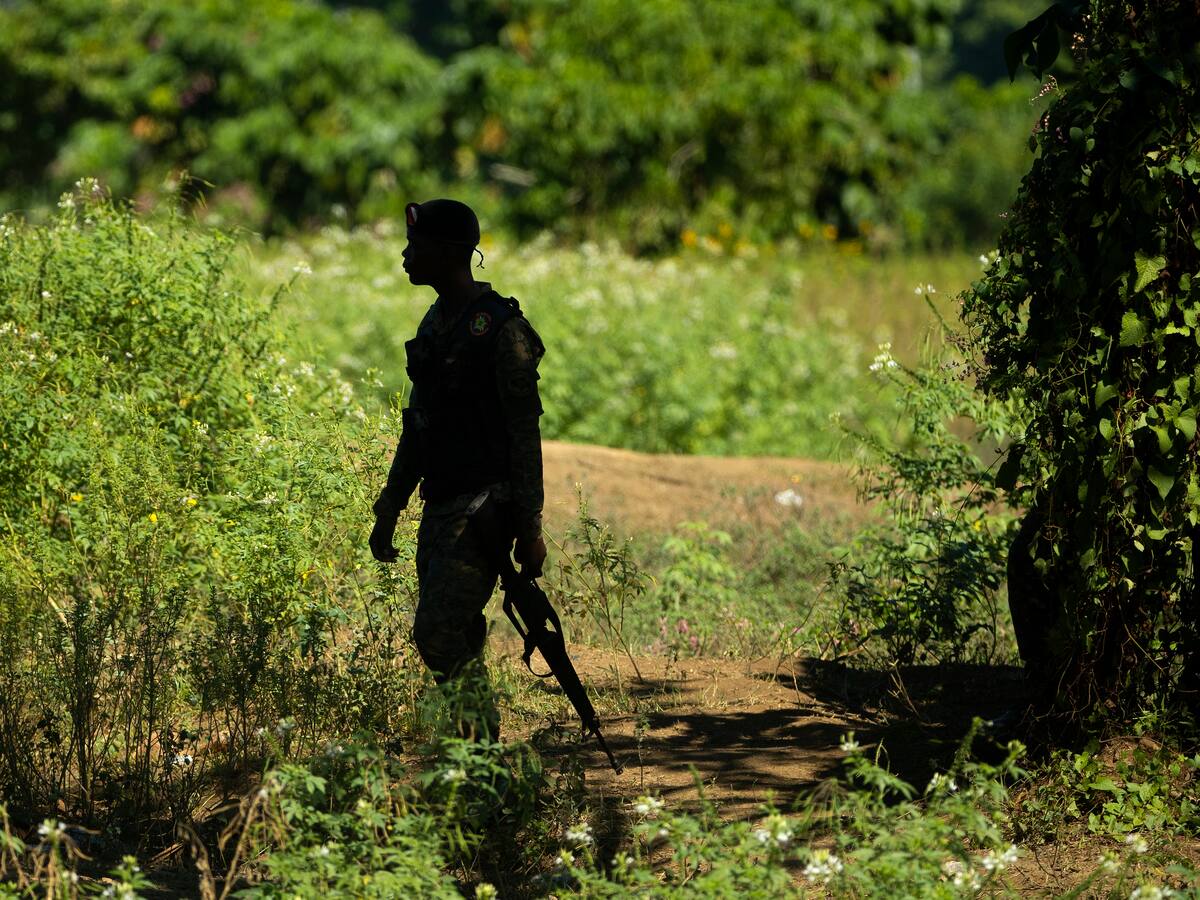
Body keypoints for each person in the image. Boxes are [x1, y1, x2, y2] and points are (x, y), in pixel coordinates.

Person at [369, 198, 547, 741]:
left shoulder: (501, 330)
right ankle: (474, 757)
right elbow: (418, 425)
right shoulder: (436, 323)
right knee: (459, 634)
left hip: (483, 511)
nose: (405, 256)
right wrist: (390, 505)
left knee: (438, 633)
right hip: (442, 504)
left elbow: (524, 435)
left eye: (415, 246)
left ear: (449, 253)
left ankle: (481, 750)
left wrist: (529, 527)